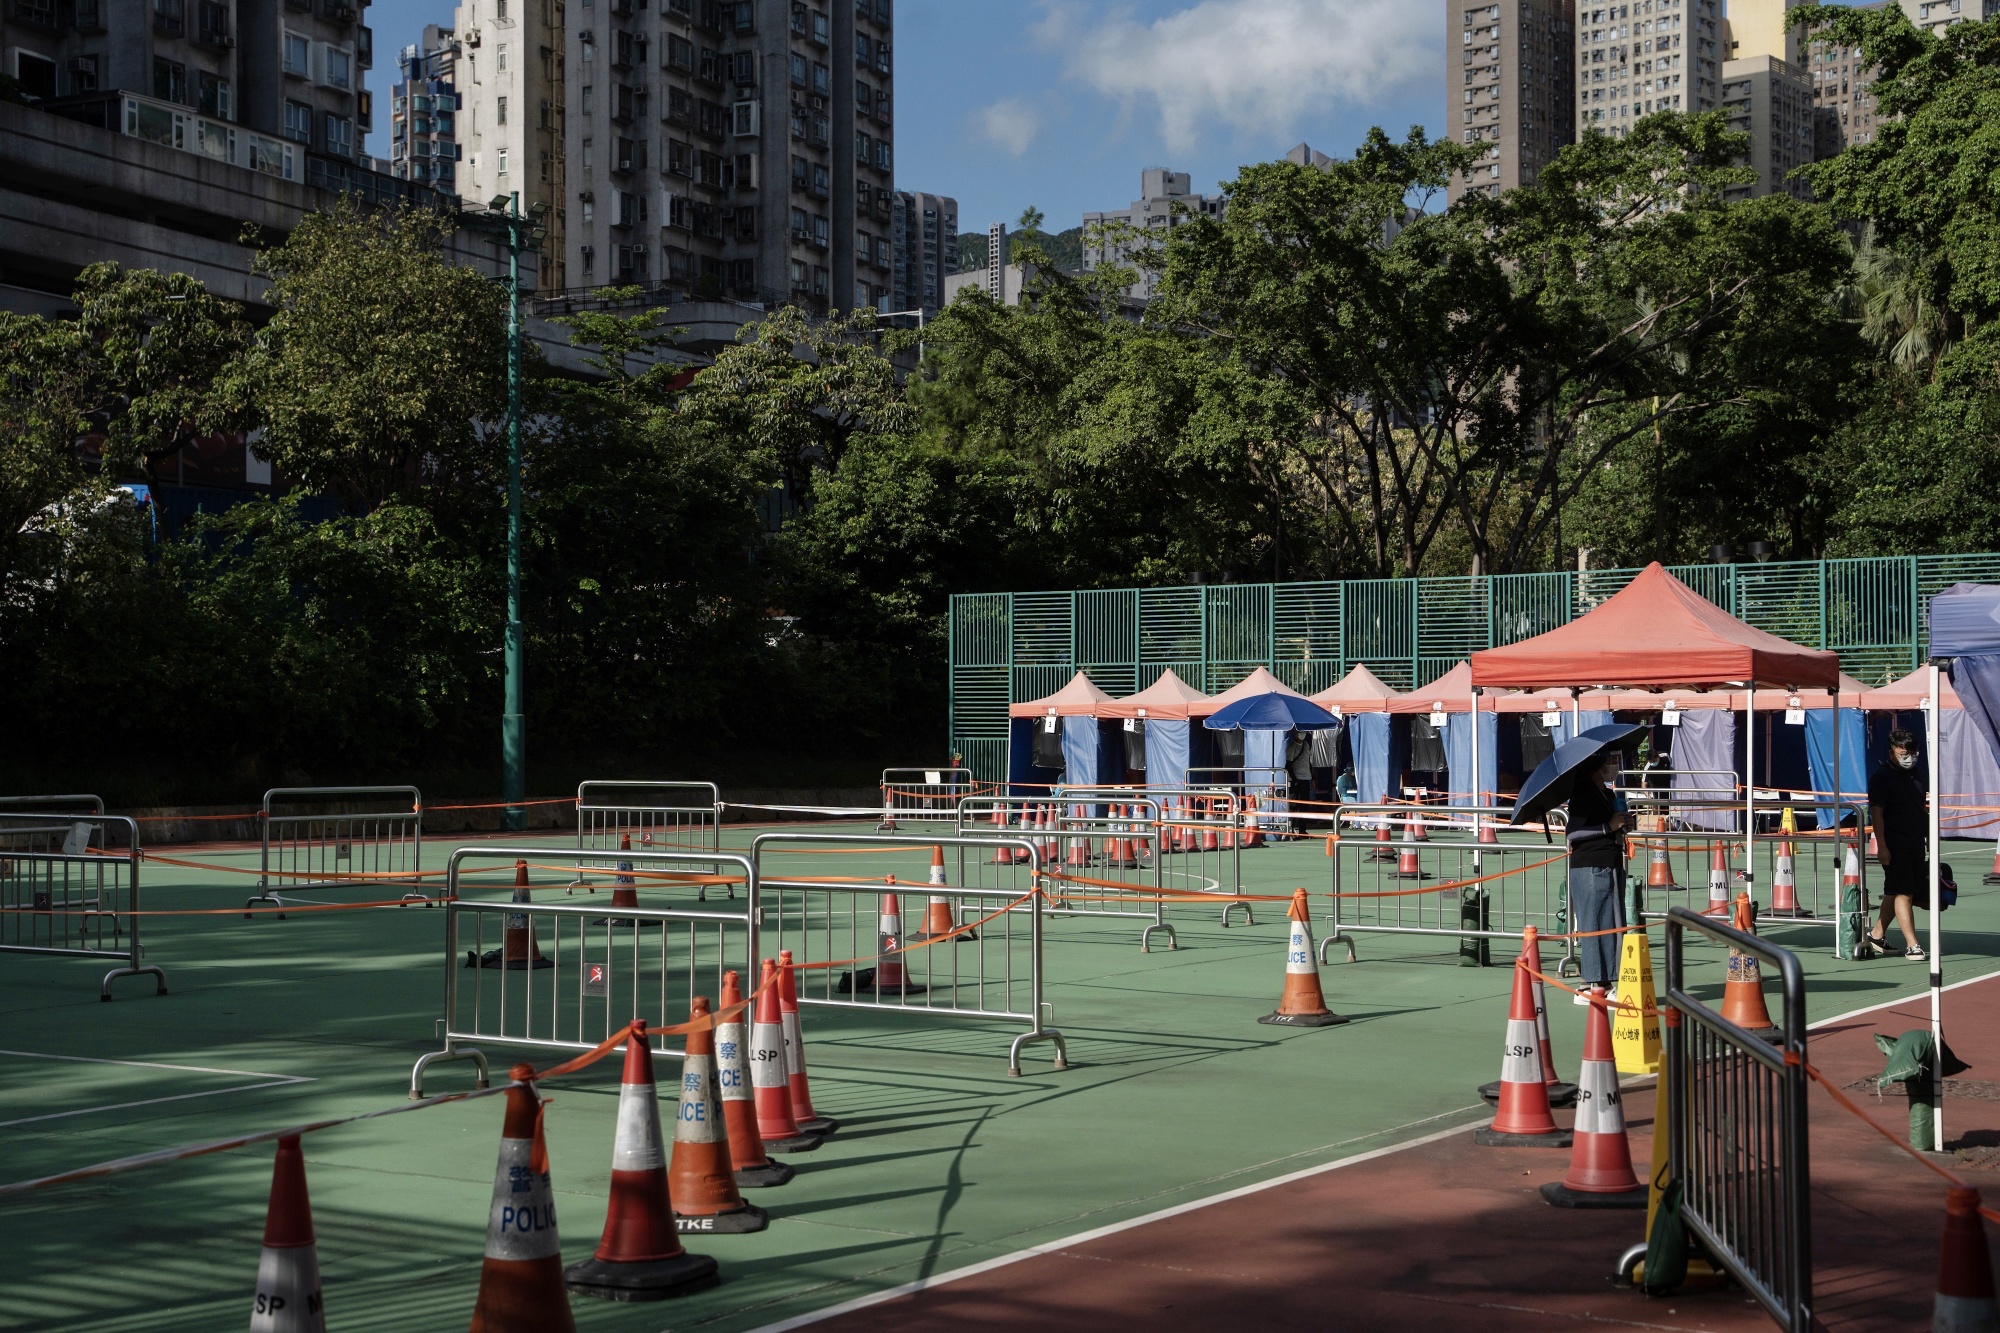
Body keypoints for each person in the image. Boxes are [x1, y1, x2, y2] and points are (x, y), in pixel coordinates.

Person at [1564, 749, 1627, 998]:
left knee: (1610, 924)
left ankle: (1600, 983)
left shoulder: (1608, 794)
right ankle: (1593, 985)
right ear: (1596, 766)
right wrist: (1607, 827)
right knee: (1595, 924)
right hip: (1590, 865)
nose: (1613, 765)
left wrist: (1623, 826)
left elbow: (1613, 826)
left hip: (1610, 862)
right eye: (1609, 760)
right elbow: (1573, 834)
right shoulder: (1583, 795)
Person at [1865, 728, 1929, 960]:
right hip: (1894, 843)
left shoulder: (1918, 774)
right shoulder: (1882, 777)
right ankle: (1913, 944)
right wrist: (1882, 845)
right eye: (1904, 753)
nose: (1909, 757)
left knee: (1895, 891)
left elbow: (1921, 808)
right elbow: (1877, 814)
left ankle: (1876, 935)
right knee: (1904, 892)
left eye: (1912, 753)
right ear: (1892, 752)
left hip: (1915, 841)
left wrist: (1928, 836)